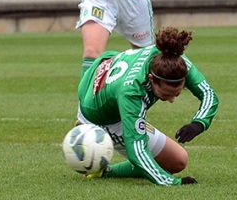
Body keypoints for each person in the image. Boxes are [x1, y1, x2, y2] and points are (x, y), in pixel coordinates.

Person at [78, 26, 219, 186]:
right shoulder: (132, 93)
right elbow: (136, 150)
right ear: (151, 79)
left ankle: (107, 169)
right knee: (172, 163)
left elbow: (208, 94)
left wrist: (198, 123)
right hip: (99, 112)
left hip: (103, 68)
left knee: (179, 159)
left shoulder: (173, 59)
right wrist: (173, 183)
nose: (172, 100)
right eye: (166, 94)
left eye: (177, 93)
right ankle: (90, 133)